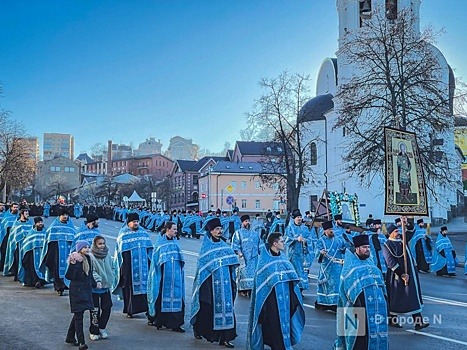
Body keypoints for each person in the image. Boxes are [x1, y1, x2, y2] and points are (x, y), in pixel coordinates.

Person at [247, 232, 305, 350]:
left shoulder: (283, 257)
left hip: (286, 299)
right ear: (275, 243)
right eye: (282, 241)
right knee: (273, 325)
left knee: (285, 323)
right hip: (271, 301)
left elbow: (292, 277)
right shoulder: (264, 260)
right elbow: (260, 283)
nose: (284, 243)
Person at [190, 218, 239, 348]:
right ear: (211, 231)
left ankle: (225, 338)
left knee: (227, 308)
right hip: (210, 284)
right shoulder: (206, 247)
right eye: (217, 229)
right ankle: (198, 328)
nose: (220, 231)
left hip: (226, 282)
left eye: (220, 229)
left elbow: (232, 263)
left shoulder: (225, 246)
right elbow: (202, 267)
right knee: (207, 307)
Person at [334, 234, 388, 350]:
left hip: (377, 309)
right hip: (359, 310)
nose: (367, 250)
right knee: (360, 341)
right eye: (364, 247)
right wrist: (358, 310)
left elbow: (382, 286)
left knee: (377, 337)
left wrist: (386, 302)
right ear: (357, 249)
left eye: (368, 247)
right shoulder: (351, 267)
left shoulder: (372, 264)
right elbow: (348, 290)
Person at [382, 224, 428, 330]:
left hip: (410, 274)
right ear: (391, 233)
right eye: (396, 231)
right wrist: (401, 274)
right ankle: (392, 320)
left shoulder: (402, 240)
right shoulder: (387, 245)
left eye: (399, 231)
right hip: (397, 277)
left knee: (413, 297)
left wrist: (406, 223)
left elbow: (411, 231)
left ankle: (418, 322)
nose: (398, 233)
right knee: (396, 299)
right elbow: (390, 262)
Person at [147, 221, 185, 332]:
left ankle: (176, 324)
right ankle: (160, 321)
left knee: (177, 298)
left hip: (176, 276)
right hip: (163, 277)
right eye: (174, 229)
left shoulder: (176, 243)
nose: (176, 231)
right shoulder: (160, 244)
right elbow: (155, 262)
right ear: (167, 229)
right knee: (161, 298)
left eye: (176, 229)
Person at [113, 212, 153, 317]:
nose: (136, 223)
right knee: (129, 288)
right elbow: (119, 253)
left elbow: (149, 249)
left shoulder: (143, 233)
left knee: (145, 288)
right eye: (134, 222)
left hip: (143, 266)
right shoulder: (123, 234)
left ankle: (146, 309)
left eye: (137, 221)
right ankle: (130, 310)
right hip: (129, 267)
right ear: (128, 222)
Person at [39, 206, 76, 295]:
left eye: (66, 215)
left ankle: (66, 284)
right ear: (59, 216)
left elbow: (75, 241)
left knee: (69, 269)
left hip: (68, 253)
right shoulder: (53, 227)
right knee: (57, 270)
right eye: (63, 215)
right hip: (56, 253)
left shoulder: (71, 227)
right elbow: (48, 241)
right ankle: (59, 287)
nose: (65, 216)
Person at [65, 240, 95, 350]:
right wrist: (73, 265)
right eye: (85, 247)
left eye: (88, 246)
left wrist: (95, 284)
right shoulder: (75, 259)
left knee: (78, 314)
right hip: (77, 291)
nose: (87, 249)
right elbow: (69, 276)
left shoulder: (89, 259)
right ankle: (82, 342)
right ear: (79, 249)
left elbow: (89, 274)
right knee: (79, 316)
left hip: (86, 290)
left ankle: (69, 337)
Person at [315, 220, 347, 312]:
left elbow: (343, 247)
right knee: (326, 286)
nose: (332, 231)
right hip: (326, 266)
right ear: (325, 231)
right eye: (329, 229)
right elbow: (316, 252)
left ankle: (334, 304)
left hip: (337, 266)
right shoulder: (321, 241)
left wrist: (347, 238)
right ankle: (323, 303)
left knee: (336, 284)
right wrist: (320, 252)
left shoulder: (337, 239)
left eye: (332, 229)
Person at [89, 235, 115, 341]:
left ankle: (102, 327)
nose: (102, 246)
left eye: (103, 243)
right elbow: (92, 270)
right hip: (95, 288)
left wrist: (112, 276)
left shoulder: (107, 254)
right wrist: (98, 280)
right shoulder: (91, 256)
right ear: (95, 244)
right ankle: (93, 331)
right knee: (95, 310)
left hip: (106, 287)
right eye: (100, 244)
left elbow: (112, 266)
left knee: (107, 308)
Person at [231, 214, 261, 297]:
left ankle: (252, 289)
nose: (248, 223)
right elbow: (235, 245)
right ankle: (243, 290)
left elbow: (260, 245)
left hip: (254, 258)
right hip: (244, 258)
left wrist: (263, 254)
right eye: (246, 221)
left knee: (253, 275)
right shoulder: (238, 233)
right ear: (242, 222)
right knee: (243, 274)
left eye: (248, 221)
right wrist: (239, 253)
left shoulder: (255, 233)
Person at [284, 209, 314, 291]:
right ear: (294, 218)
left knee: (303, 272)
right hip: (293, 255)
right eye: (298, 217)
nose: (299, 218)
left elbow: (310, 239)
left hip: (303, 255)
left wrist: (305, 240)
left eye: (300, 217)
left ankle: (301, 289)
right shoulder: (290, 228)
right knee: (294, 272)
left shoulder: (305, 228)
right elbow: (286, 239)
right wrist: (296, 239)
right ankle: (293, 289)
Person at [3, 205, 33, 279]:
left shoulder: (30, 223)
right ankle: (17, 275)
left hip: (27, 245)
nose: (27, 215)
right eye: (26, 214)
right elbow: (13, 235)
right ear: (22, 214)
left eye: (28, 214)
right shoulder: (17, 224)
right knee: (17, 260)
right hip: (18, 245)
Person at [19, 216, 48, 288]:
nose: (40, 223)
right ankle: (35, 281)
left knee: (42, 267)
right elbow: (27, 243)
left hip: (42, 253)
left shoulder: (46, 231)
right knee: (32, 268)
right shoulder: (31, 232)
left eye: (41, 222)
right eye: (38, 222)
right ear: (35, 224)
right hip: (33, 253)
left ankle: (41, 281)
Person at [0, 202, 19, 271]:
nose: (15, 209)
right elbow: (3, 227)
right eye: (14, 207)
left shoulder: (18, 216)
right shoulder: (7, 216)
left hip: (15, 237)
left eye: (17, 207)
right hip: (6, 237)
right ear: (11, 208)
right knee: (4, 252)